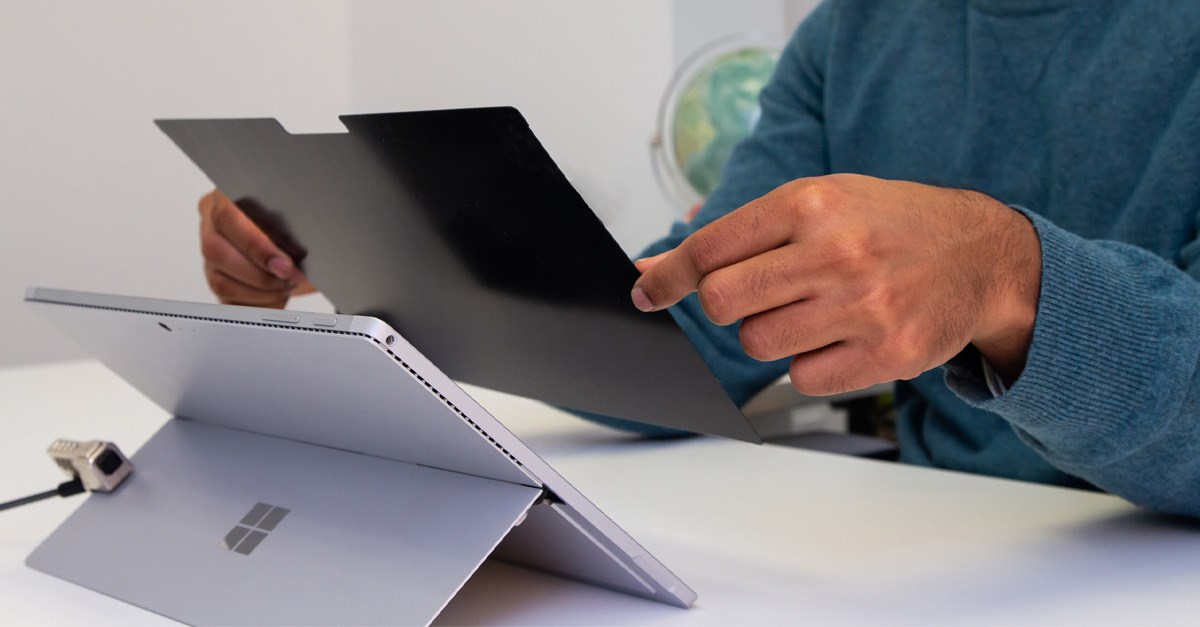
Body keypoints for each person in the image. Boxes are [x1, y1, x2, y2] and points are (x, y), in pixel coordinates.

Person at [197, 0, 1200, 518]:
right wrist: (377, 250)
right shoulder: (853, 33)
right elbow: (696, 326)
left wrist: (1006, 275)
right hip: (944, 550)